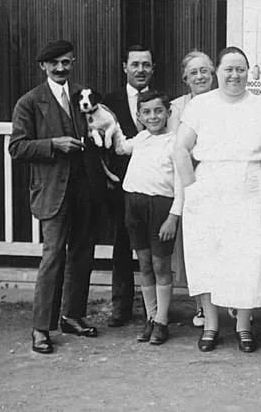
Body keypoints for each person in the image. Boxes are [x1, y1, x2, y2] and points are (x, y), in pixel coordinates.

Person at [174, 46, 261, 353]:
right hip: (210, 188)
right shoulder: (201, 106)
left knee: (246, 258)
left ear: (248, 72)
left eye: (241, 69)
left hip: (250, 187)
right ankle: (211, 326)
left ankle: (243, 326)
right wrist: (192, 188)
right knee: (208, 257)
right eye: (228, 69)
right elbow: (180, 149)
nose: (235, 75)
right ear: (218, 73)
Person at [8, 39, 106, 354]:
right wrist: (54, 144)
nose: (62, 68)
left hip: (85, 188)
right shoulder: (30, 102)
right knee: (53, 256)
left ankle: (72, 315)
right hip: (53, 190)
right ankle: (41, 328)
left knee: (82, 253)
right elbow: (17, 147)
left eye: (66, 62)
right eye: (55, 63)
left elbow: (100, 129)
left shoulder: (83, 96)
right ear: (43, 66)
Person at [113, 90, 183, 345]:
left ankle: (162, 320)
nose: (152, 116)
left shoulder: (175, 142)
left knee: (160, 265)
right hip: (134, 205)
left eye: (158, 111)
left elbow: (181, 184)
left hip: (161, 207)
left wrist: (173, 217)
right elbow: (120, 147)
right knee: (143, 264)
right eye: (146, 112)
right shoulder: (140, 139)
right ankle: (150, 317)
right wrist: (104, 120)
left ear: (168, 113)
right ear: (139, 116)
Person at [103, 45, 154, 327]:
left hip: (153, 185)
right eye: (135, 64)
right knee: (122, 246)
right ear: (125, 67)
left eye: (146, 64)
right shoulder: (109, 102)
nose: (140, 70)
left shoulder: (160, 101)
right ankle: (121, 306)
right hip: (121, 186)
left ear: (152, 68)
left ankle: (155, 310)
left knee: (155, 250)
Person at [166, 50, 215, 328]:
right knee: (195, 248)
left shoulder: (225, 101)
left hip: (220, 183)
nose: (200, 76)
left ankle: (229, 300)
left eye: (204, 71)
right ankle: (200, 306)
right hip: (190, 182)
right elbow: (176, 148)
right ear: (185, 78)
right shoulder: (176, 108)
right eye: (194, 72)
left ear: (213, 74)